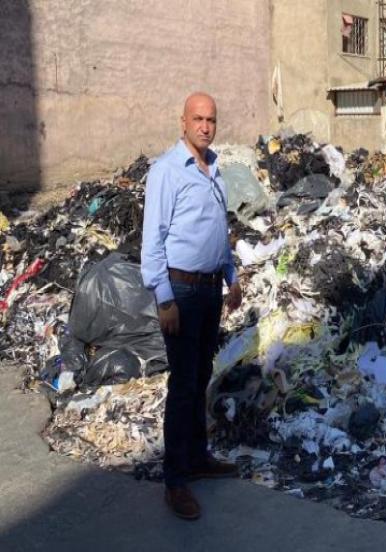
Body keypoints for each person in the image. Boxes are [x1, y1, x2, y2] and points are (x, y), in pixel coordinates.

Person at [141, 92, 242, 520]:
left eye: (211, 120)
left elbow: (217, 229)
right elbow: (152, 241)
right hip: (180, 292)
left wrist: (231, 276)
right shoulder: (167, 171)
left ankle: (198, 458)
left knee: (201, 376)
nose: (205, 126)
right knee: (183, 385)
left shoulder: (214, 167)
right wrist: (164, 298)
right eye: (198, 119)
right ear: (182, 122)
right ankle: (175, 480)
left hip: (210, 290)